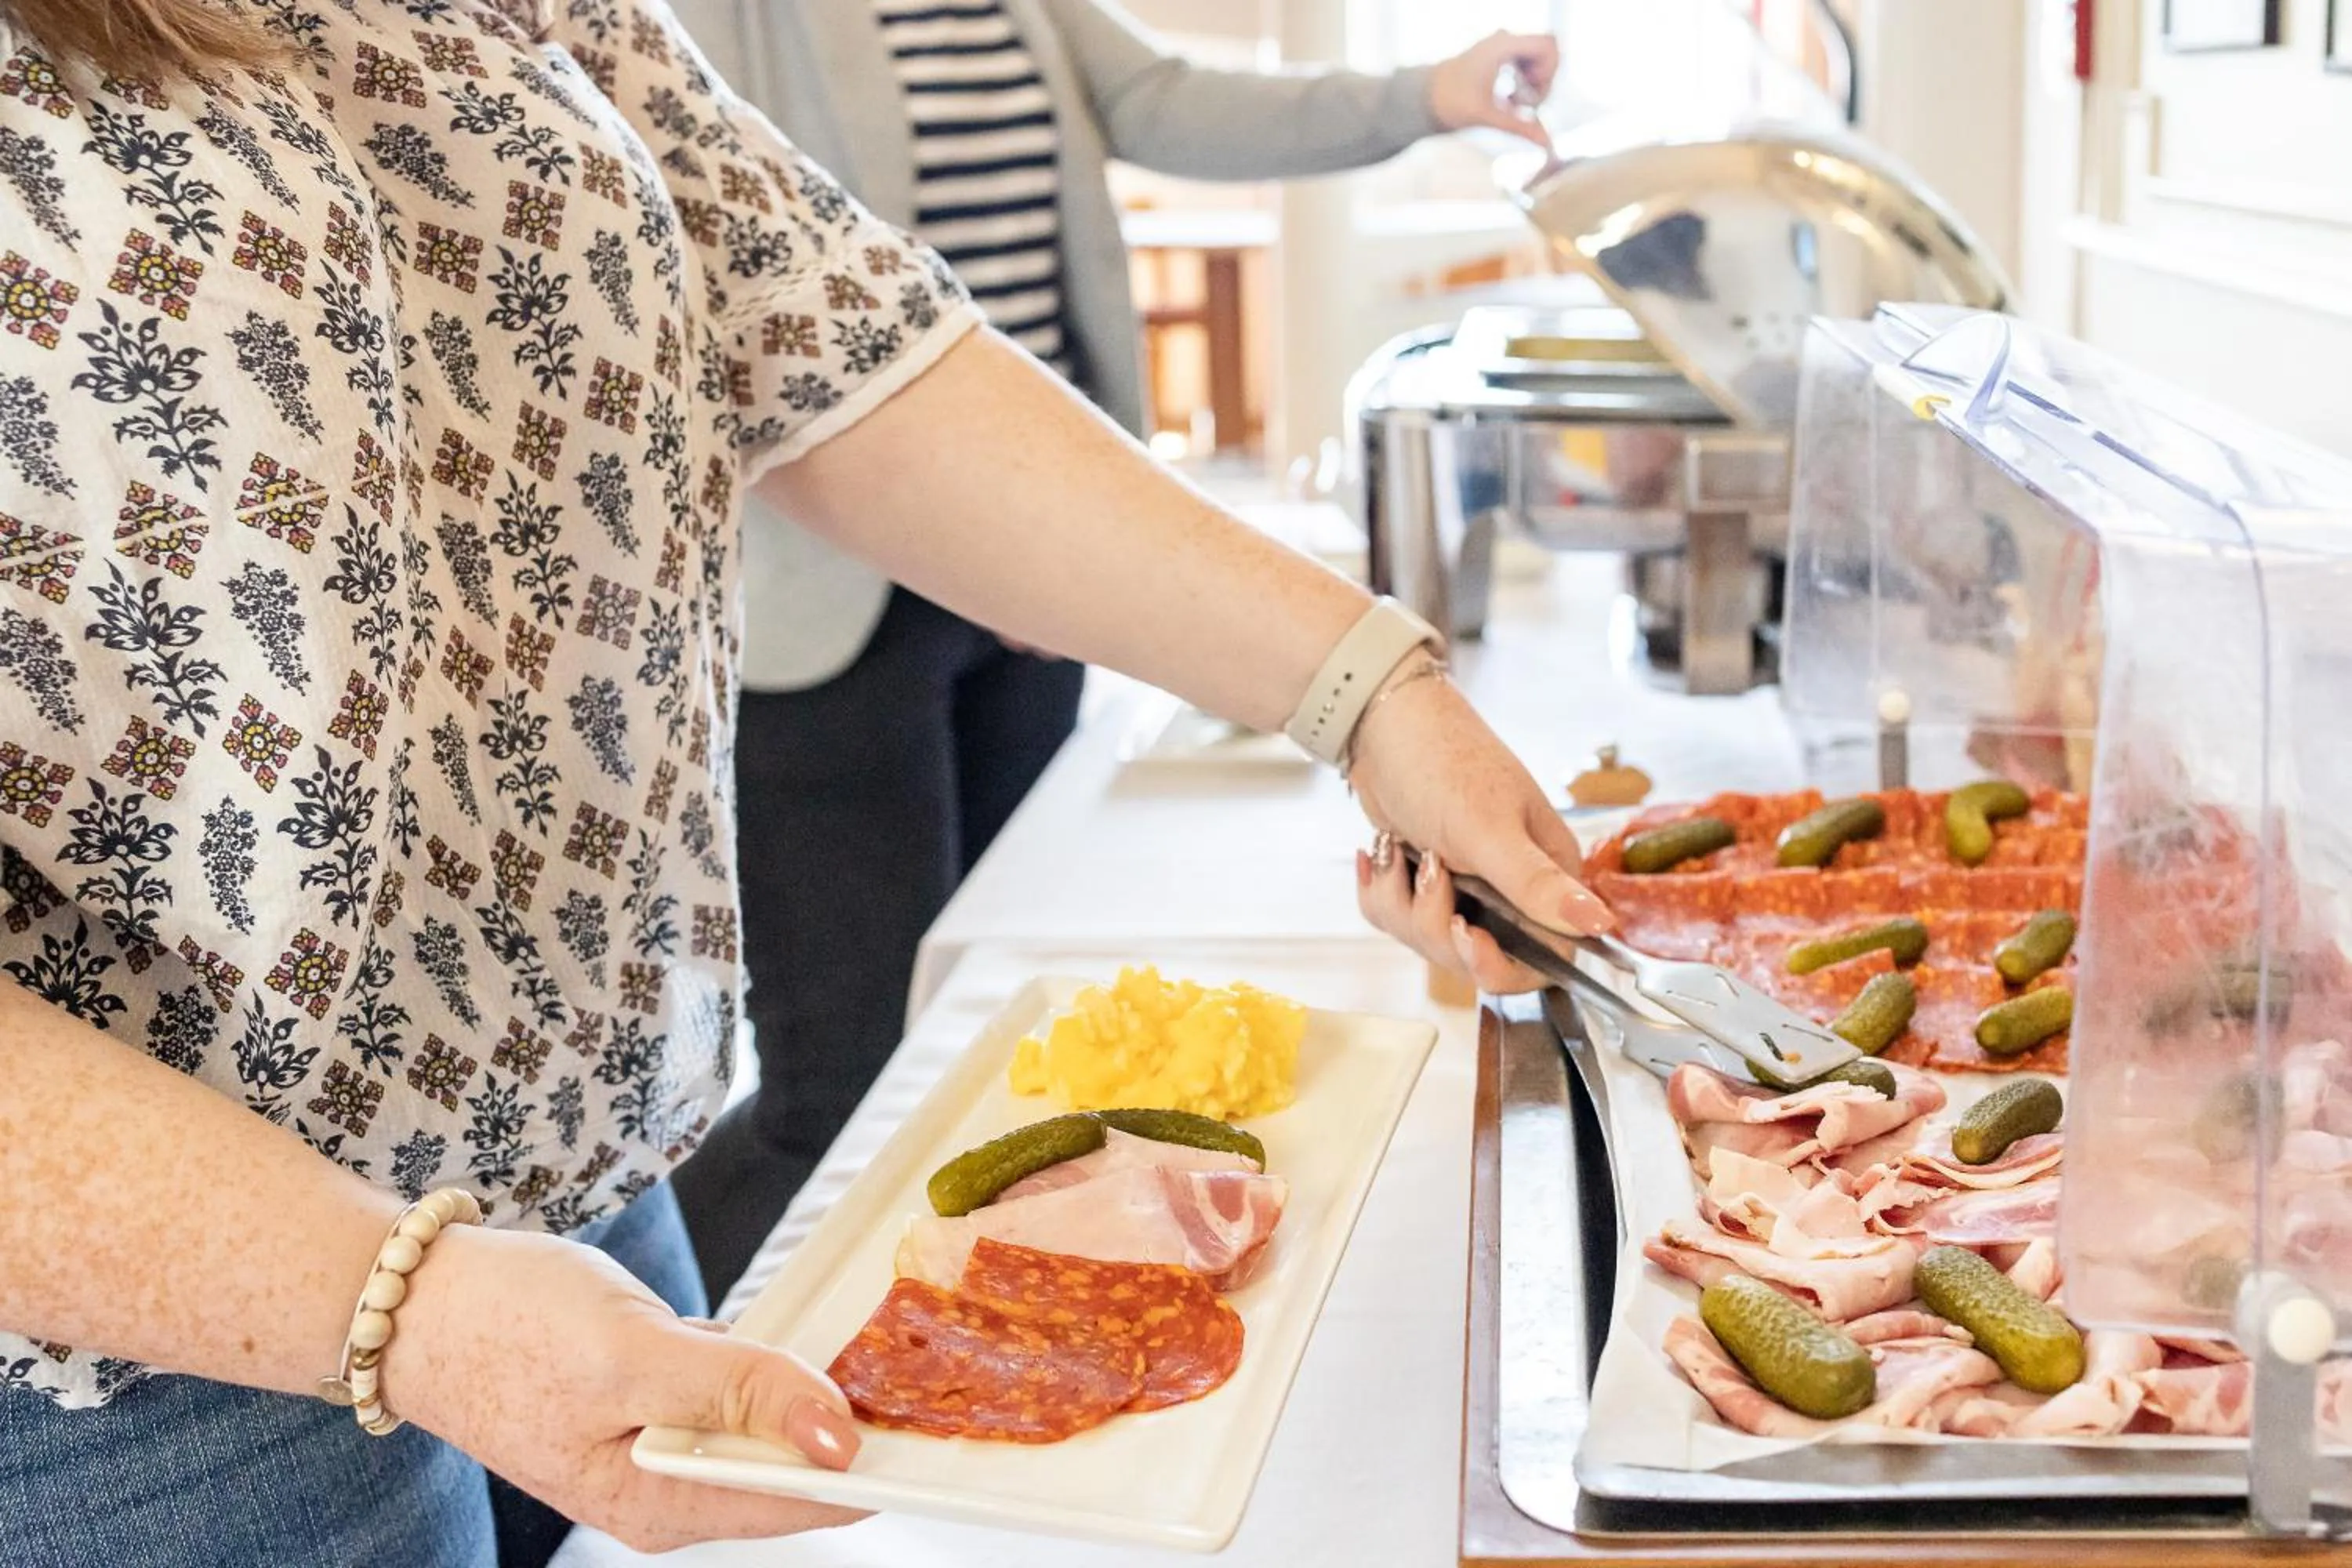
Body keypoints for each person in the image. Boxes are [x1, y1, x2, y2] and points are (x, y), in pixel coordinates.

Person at [0, 0, 1600, 1562]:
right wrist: (405, 1303)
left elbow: (843, 342)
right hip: (149, 1351)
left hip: (577, 1181)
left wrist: (1368, 688)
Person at [664, 0, 1563, 1300]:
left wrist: (1434, 93)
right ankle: (614, 1392)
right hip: (825, 607)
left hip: (1035, 583)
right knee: (842, 1087)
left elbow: (1174, 104)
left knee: (968, 1054)